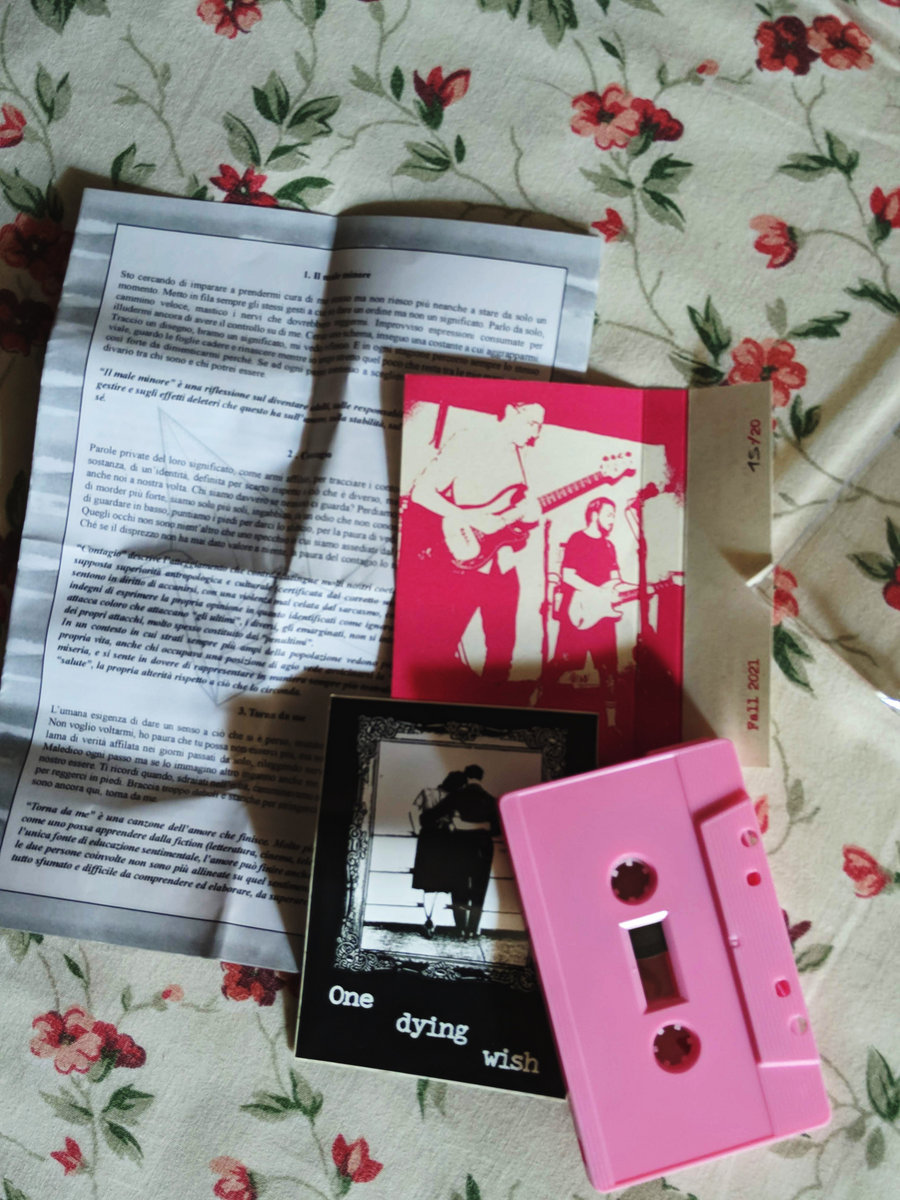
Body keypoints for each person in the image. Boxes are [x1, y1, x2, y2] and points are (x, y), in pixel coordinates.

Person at [397, 401, 545, 702]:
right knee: (440, 647)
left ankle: (490, 711)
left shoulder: (522, 456)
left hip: (503, 564)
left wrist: (531, 516)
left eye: (540, 426)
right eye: (532, 423)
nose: (536, 433)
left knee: (501, 657)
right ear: (511, 412)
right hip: (464, 561)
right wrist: (471, 518)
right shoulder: (471, 439)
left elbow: (515, 517)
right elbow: (422, 492)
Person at [418, 764, 500, 940]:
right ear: (482, 778)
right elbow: (498, 829)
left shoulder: (456, 797)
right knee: (479, 888)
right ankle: (473, 929)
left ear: (466, 778)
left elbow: (426, 818)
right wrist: (482, 826)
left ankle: (461, 929)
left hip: (459, 846)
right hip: (483, 847)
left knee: (459, 888)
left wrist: (456, 824)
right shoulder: (491, 800)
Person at [551, 496, 621, 693]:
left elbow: (616, 579)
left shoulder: (609, 546)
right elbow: (568, 575)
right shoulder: (577, 539)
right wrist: (597, 592)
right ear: (594, 515)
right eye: (609, 515)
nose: (612, 520)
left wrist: (627, 591)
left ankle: (609, 710)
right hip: (577, 610)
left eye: (614, 516)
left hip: (603, 613)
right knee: (566, 666)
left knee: (608, 668)